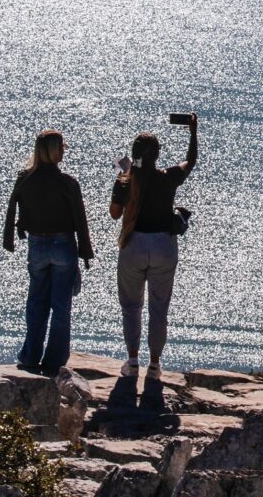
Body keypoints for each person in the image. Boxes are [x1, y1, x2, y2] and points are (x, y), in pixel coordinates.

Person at [110, 113, 199, 377]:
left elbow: (115, 213)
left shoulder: (126, 178)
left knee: (131, 307)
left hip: (133, 244)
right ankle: (155, 365)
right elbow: (190, 161)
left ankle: (133, 360)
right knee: (159, 308)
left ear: (134, 154)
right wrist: (193, 133)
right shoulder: (168, 176)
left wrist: (123, 179)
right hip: (163, 245)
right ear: (158, 154)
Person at [2, 129, 94, 375]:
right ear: (55, 150)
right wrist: (85, 250)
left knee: (36, 302)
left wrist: (14, 233)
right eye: (62, 146)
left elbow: (15, 208)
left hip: (37, 246)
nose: (65, 149)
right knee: (61, 305)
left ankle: (30, 356)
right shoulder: (67, 182)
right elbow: (80, 220)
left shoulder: (25, 178)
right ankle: (54, 361)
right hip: (63, 245)